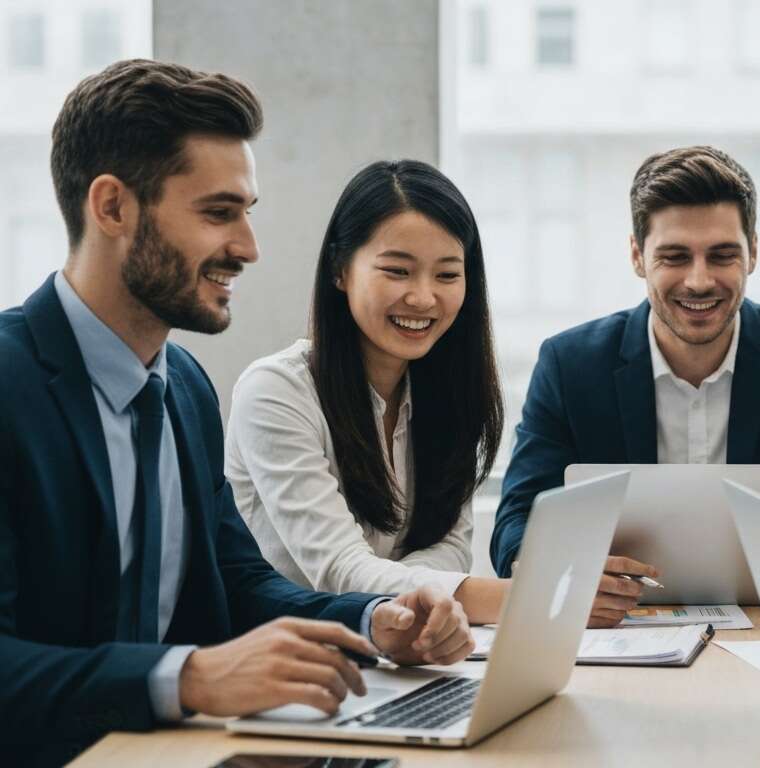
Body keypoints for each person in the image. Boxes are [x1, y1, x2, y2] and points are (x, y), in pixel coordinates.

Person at [0, 60, 471, 767]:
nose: (249, 247)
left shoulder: (184, 388)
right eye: (219, 213)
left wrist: (377, 621)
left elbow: (239, 585)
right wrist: (188, 677)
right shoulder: (11, 386)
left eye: (247, 213)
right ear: (113, 207)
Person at [490, 145, 760, 611]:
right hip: (616, 625)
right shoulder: (569, 364)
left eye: (722, 255)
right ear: (638, 256)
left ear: (753, 253)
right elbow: (515, 525)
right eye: (674, 256)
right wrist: (567, 572)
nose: (699, 281)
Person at [224, 159, 519, 624]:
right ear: (340, 270)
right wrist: (524, 600)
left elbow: (449, 547)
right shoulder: (275, 391)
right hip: (292, 650)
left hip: (402, 646)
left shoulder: (451, 392)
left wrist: (426, 601)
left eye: (446, 275)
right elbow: (340, 570)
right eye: (398, 271)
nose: (423, 297)